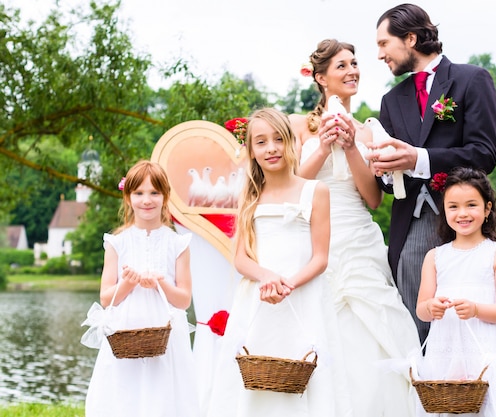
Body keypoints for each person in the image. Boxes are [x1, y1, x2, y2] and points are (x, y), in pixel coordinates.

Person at [290, 39, 420, 417]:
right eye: (342, 66)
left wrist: (349, 147)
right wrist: (323, 146)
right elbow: (294, 187)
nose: (352, 71)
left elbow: (374, 199)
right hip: (315, 236)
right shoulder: (300, 126)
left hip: (360, 237)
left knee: (375, 326)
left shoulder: (368, 132)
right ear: (321, 78)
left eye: (354, 64)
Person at [368, 3, 496, 345]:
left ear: (410, 38)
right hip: (408, 228)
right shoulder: (391, 100)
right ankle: (426, 398)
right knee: (416, 332)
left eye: (384, 44)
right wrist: (382, 170)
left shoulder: (472, 80)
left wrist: (417, 158)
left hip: (463, 223)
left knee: (471, 330)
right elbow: (388, 178)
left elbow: (484, 154)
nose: (380, 54)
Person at [207, 108, 352, 417]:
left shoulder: (316, 191)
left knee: (306, 369)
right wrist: (266, 277)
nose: (271, 148)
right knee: (255, 371)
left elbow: (320, 257)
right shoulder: (249, 195)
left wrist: (288, 284)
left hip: (303, 296)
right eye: (261, 142)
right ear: (251, 151)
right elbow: (241, 258)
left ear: (291, 143)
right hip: (259, 297)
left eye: (277, 139)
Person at [414, 167, 496, 416]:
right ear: (444, 210)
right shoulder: (435, 257)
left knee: (492, 405)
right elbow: (421, 310)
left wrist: (475, 309)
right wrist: (432, 307)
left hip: (489, 348)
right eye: (453, 206)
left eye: (471, 205)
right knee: (451, 408)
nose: (462, 214)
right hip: (447, 349)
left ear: (487, 208)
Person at [84, 160, 199, 417]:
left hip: (166, 334)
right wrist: (128, 283)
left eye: (154, 193)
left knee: (164, 392)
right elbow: (106, 299)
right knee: (127, 393)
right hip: (127, 331)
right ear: (128, 197)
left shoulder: (178, 243)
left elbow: (184, 300)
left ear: (165, 196)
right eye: (139, 193)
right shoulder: (117, 243)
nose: (146, 200)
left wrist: (161, 283)